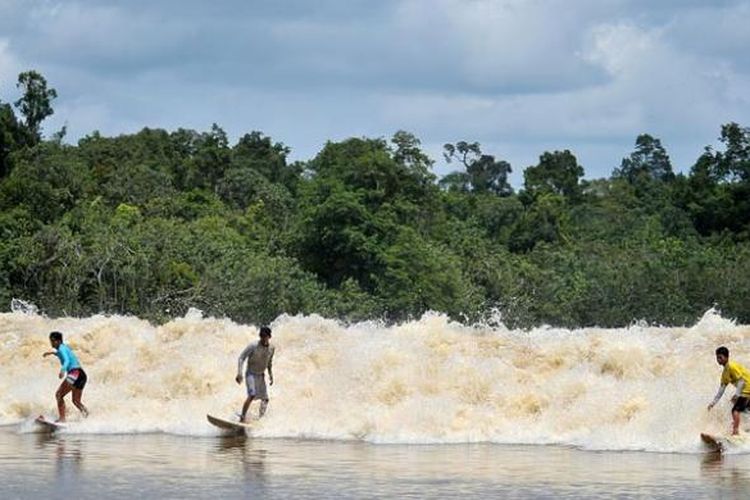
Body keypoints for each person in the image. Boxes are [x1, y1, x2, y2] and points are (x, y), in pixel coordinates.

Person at [42, 331, 89, 422]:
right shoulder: (64, 348)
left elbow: (66, 360)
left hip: (74, 373)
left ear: (58, 341)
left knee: (59, 394)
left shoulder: (61, 348)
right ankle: (87, 415)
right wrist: (51, 353)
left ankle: (62, 419)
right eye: (50, 341)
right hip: (82, 375)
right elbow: (62, 355)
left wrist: (63, 370)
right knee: (76, 401)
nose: (51, 343)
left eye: (52, 341)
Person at [707, 346, 750, 435]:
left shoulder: (731, 366)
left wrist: (737, 394)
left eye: (720, 357)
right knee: (743, 407)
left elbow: (741, 380)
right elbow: (721, 390)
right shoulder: (724, 373)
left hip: (747, 387)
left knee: (735, 410)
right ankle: (746, 427)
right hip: (745, 389)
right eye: (717, 357)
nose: (718, 360)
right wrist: (713, 403)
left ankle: (735, 432)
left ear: (726, 357)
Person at [236, 326, 275, 422]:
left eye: (265, 336)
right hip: (251, 374)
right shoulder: (253, 345)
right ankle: (242, 417)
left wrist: (270, 375)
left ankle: (260, 419)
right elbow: (241, 358)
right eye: (261, 336)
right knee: (252, 394)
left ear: (269, 336)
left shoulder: (272, 348)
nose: (263, 338)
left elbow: (269, 362)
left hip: (261, 375)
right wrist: (239, 373)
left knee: (265, 399)